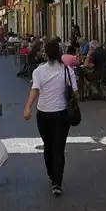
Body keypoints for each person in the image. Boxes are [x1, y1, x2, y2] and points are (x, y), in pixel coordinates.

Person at [23, 39, 77, 196]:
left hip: (43, 113)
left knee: (48, 145)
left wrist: (28, 107)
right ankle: (57, 182)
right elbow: (75, 92)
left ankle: (51, 174)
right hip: (61, 113)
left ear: (45, 54)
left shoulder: (39, 71)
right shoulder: (67, 70)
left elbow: (35, 90)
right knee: (59, 148)